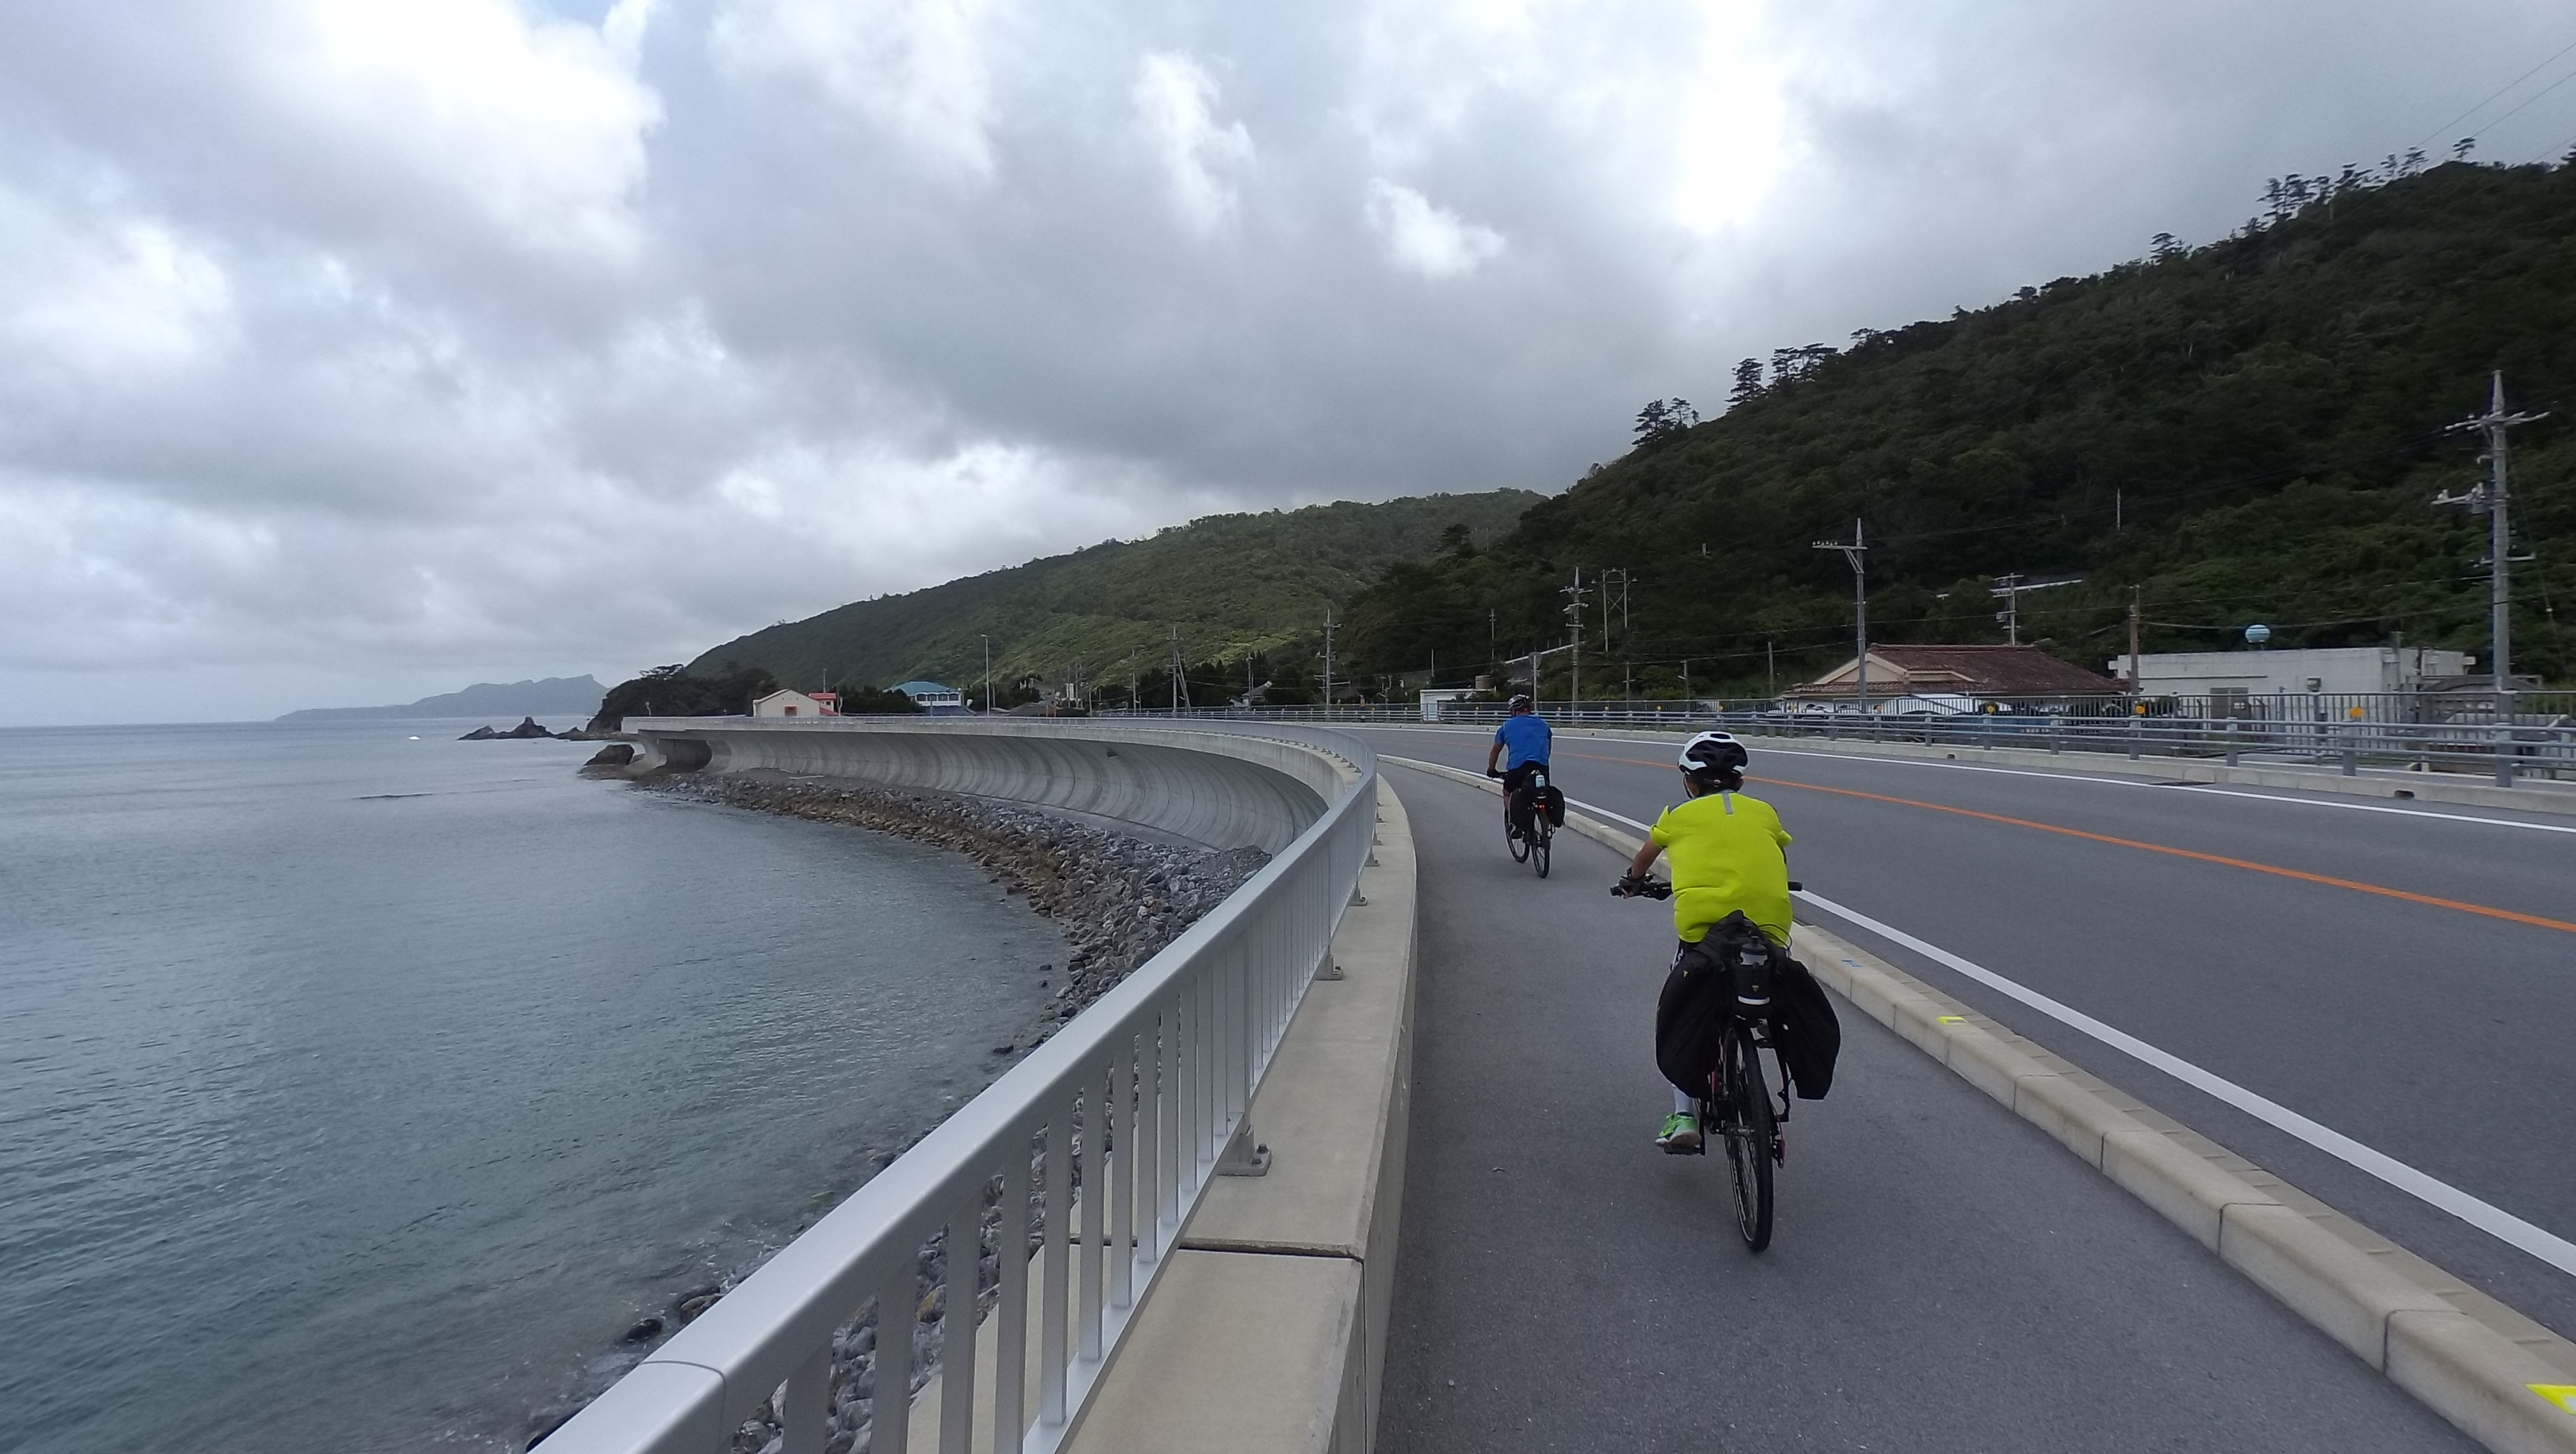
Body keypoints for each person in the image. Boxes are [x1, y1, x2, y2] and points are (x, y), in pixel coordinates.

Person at [1614, 730, 1792, 1152]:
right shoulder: (1765, 811)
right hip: (1767, 922)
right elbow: (1779, 857)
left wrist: (1632, 884)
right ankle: (1768, 1011)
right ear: (1740, 782)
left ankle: (1684, 1116)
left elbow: (1644, 858)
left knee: (1679, 1007)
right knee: (1772, 952)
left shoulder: (1678, 816)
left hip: (1703, 929)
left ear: (1688, 782)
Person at [1484, 694, 1553, 839]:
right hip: (1542, 768)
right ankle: (1546, 830)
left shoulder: (1506, 727)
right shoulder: (1544, 725)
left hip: (1518, 769)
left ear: (1514, 711)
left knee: (1508, 793)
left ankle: (1516, 824)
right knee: (1542, 793)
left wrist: (1492, 770)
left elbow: (1495, 751)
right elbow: (1548, 749)